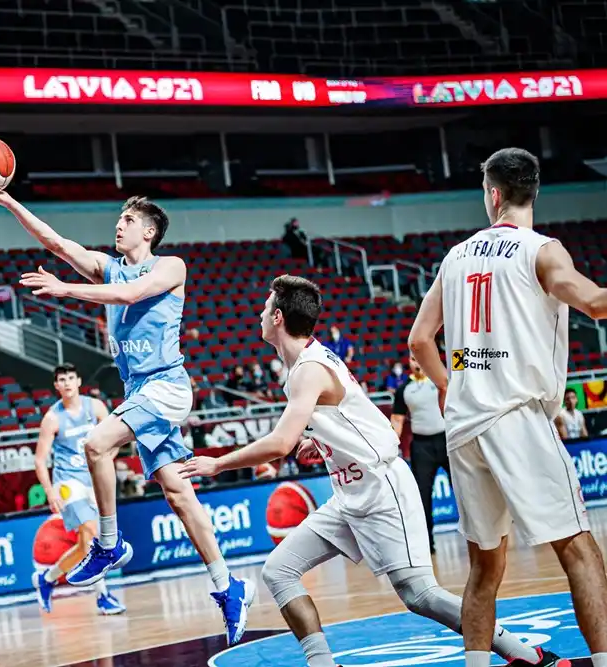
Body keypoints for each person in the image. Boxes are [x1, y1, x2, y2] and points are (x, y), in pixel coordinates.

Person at [180, 275, 557, 667]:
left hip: (383, 487)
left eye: (264, 307)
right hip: (349, 495)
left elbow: (279, 444)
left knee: (420, 595)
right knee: (279, 571)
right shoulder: (308, 362)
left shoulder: (309, 369)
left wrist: (218, 462)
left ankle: (527, 655)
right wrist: (323, 441)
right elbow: (349, 412)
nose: (258, 313)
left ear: (277, 317)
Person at [0, 188, 253, 645]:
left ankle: (108, 542)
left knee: (95, 443)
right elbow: (58, 245)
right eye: (119, 219)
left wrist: (66, 289)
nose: (118, 224)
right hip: (140, 391)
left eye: (127, 219)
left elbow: (130, 295)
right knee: (179, 495)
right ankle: (228, 585)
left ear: (149, 230)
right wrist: (9, 203)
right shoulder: (107, 265)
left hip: (167, 386)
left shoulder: (170, 266)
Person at [409, 147, 604, 667]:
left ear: (493, 195)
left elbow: (419, 341)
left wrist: (450, 387)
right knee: (579, 550)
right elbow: (596, 303)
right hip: (515, 417)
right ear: (530, 193)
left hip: (465, 426)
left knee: (483, 568)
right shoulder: (542, 251)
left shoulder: (455, 257)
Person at [33, 363, 124, 616]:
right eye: (62, 379)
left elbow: (116, 437)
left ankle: (47, 578)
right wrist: (50, 492)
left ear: (79, 380)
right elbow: (40, 460)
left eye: (71, 378)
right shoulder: (52, 418)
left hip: (92, 479)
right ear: (56, 385)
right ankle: (103, 596)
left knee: (87, 546)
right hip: (67, 483)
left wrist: (106, 457)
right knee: (93, 533)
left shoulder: (94, 407)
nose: (67, 383)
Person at [390, 354, 447, 553]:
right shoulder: (403, 390)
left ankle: (479, 536)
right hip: (422, 446)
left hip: (447, 440)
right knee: (422, 496)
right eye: (413, 359)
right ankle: (427, 544)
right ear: (409, 362)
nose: (417, 362)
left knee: (464, 489)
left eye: (419, 358)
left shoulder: (441, 378)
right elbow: (397, 420)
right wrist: (388, 446)